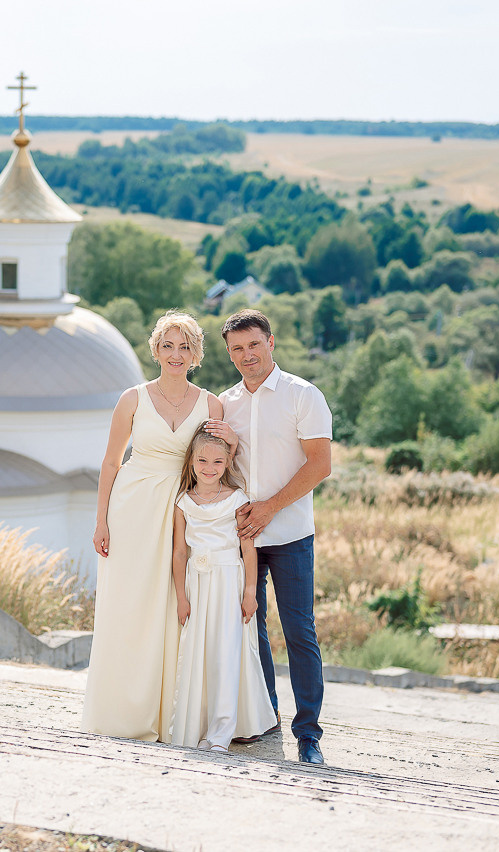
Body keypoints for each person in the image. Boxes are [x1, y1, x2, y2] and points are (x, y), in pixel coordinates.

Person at [82, 311, 239, 742]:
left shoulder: (212, 404)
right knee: (129, 606)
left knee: (174, 609)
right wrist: (101, 521)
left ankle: (172, 717)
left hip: (182, 513)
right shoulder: (131, 399)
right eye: (168, 345)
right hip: (131, 509)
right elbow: (111, 462)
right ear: (156, 350)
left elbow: (221, 460)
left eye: (184, 346)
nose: (175, 353)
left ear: (195, 354)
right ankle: (123, 714)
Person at [218, 309, 332, 765]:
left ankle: (308, 734)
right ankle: (266, 717)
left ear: (271, 342)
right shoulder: (224, 404)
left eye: (254, 344)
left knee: (300, 630)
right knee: (251, 628)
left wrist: (269, 508)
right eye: (237, 349)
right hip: (242, 536)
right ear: (229, 354)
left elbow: (320, 465)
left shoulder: (303, 395)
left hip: (289, 533)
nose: (247, 355)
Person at [170, 426, 278, 752]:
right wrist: (181, 597)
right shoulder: (183, 503)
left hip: (228, 580)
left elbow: (248, 549)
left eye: (217, 462)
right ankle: (196, 727)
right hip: (196, 583)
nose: (209, 467)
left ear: (227, 463)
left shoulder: (238, 500)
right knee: (198, 653)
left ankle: (221, 732)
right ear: (191, 461)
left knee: (227, 653)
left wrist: (250, 592)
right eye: (201, 460)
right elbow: (178, 552)